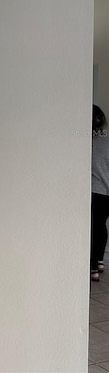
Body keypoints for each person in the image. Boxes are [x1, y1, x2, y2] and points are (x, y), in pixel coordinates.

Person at [92, 105, 109, 281]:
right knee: (101, 227)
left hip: (94, 191)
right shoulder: (107, 139)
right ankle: (100, 260)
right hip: (107, 193)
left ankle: (93, 269)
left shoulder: (87, 142)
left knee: (93, 229)